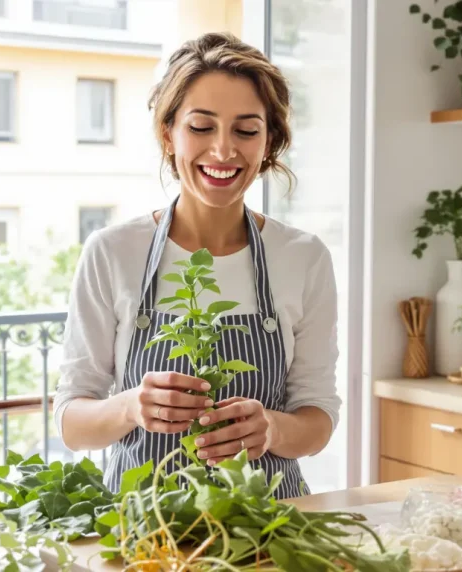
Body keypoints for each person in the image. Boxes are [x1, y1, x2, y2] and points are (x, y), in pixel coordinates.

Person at [53, 32, 340, 499]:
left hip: (269, 527)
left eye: (246, 130)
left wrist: (270, 429)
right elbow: (71, 421)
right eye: (202, 127)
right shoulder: (112, 251)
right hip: (145, 532)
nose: (224, 151)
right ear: (169, 134)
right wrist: (131, 407)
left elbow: (319, 415)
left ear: (269, 142)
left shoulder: (303, 257)